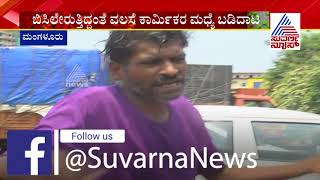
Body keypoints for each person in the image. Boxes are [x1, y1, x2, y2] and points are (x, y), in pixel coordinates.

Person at [1, 31, 320, 180]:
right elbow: (10, 166)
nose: (171, 70)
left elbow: (221, 174)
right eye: (153, 61)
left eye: (177, 58)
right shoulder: (88, 104)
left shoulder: (187, 113)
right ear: (116, 70)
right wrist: (59, 168)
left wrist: (306, 166)